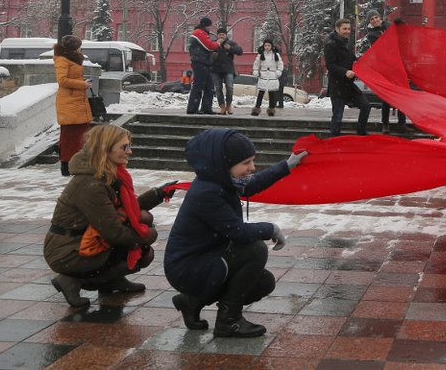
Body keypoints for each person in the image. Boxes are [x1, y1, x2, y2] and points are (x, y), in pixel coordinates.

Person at [164, 128, 307, 337]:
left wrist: (287, 165)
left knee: (262, 282)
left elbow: (252, 184)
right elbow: (238, 232)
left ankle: (192, 301)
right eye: (246, 163)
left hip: (205, 260)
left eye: (252, 161)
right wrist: (271, 229)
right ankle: (228, 321)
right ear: (224, 164)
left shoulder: (222, 180)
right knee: (256, 250)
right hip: (187, 267)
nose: (252, 167)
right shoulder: (207, 191)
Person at [44, 124, 174, 307]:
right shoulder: (90, 183)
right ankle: (72, 280)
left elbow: (126, 210)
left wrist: (158, 194)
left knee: (140, 230)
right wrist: (147, 236)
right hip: (67, 251)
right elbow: (114, 232)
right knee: (141, 248)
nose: (130, 151)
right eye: (124, 147)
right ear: (105, 149)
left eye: (129, 146)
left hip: (83, 241)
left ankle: (111, 280)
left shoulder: (107, 174)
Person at [53, 35, 94, 177]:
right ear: (73, 47)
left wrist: (84, 82)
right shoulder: (62, 60)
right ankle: (66, 166)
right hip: (69, 103)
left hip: (77, 102)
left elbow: (72, 78)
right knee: (70, 136)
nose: (80, 49)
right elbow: (62, 80)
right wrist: (83, 84)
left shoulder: (72, 59)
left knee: (81, 135)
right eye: (78, 46)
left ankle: (79, 164)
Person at [324, 18, 371, 136]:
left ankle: (361, 133)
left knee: (365, 106)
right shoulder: (330, 45)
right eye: (344, 29)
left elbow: (352, 60)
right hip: (337, 86)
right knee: (337, 117)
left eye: (349, 29)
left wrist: (363, 62)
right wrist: (345, 72)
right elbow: (330, 65)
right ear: (337, 29)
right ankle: (334, 141)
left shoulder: (347, 43)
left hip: (349, 86)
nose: (347, 31)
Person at [364, 9, 406, 134]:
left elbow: (400, 36)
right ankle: (385, 124)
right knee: (386, 98)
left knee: (401, 95)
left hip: (397, 65)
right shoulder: (371, 34)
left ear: (380, 17)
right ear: (370, 22)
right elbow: (384, 44)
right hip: (385, 67)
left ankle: (402, 123)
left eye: (376, 17)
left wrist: (401, 25)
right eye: (372, 19)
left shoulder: (388, 25)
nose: (375, 20)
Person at [187, 17, 221, 115]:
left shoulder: (201, 33)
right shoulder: (199, 33)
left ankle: (206, 108)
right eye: (210, 26)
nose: (210, 28)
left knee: (209, 86)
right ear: (206, 25)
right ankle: (192, 108)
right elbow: (209, 46)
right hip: (200, 63)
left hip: (205, 63)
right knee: (198, 85)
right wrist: (218, 43)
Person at [211, 27, 243, 115]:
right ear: (217, 36)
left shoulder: (231, 43)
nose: (221, 36)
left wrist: (230, 48)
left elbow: (240, 51)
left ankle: (229, 106)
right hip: (216, 70)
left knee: (230, 87)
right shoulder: (213, 43)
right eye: (220, 34)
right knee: (218, 89)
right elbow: (207, 52)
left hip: (228, 69)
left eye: (223, 34)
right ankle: (222, 107)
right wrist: (213, 54)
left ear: (226, 35)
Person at [251, 38, 283, 117]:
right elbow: (256, 64)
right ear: (263, 46)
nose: (267, 47)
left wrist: (278, 72)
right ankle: (257, 108)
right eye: (265, 45)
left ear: (271, 46)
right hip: (263, 75)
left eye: (269, 45)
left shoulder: (276, 55)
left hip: (272, 75)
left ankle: (271, 109)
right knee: (261, 93)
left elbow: (280, 64)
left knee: (272, 93)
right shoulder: (260, 55)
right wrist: (255, 71)